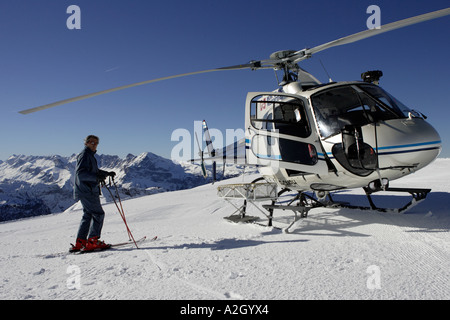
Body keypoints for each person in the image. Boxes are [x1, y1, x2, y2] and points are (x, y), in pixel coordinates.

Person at [70, 135, 116, 252]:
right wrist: (96, 177)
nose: (94, 144)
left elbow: (93, 171)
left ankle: (80, 242)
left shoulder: (88, 155)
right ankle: (93, 241)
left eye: (96, 143)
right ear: (86, 143)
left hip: (85, 190)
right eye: (91, 142)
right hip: (88, 190)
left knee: (88, 215)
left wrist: (106, 173)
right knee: (98, 213)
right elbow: (81, 174)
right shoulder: (85, 155)